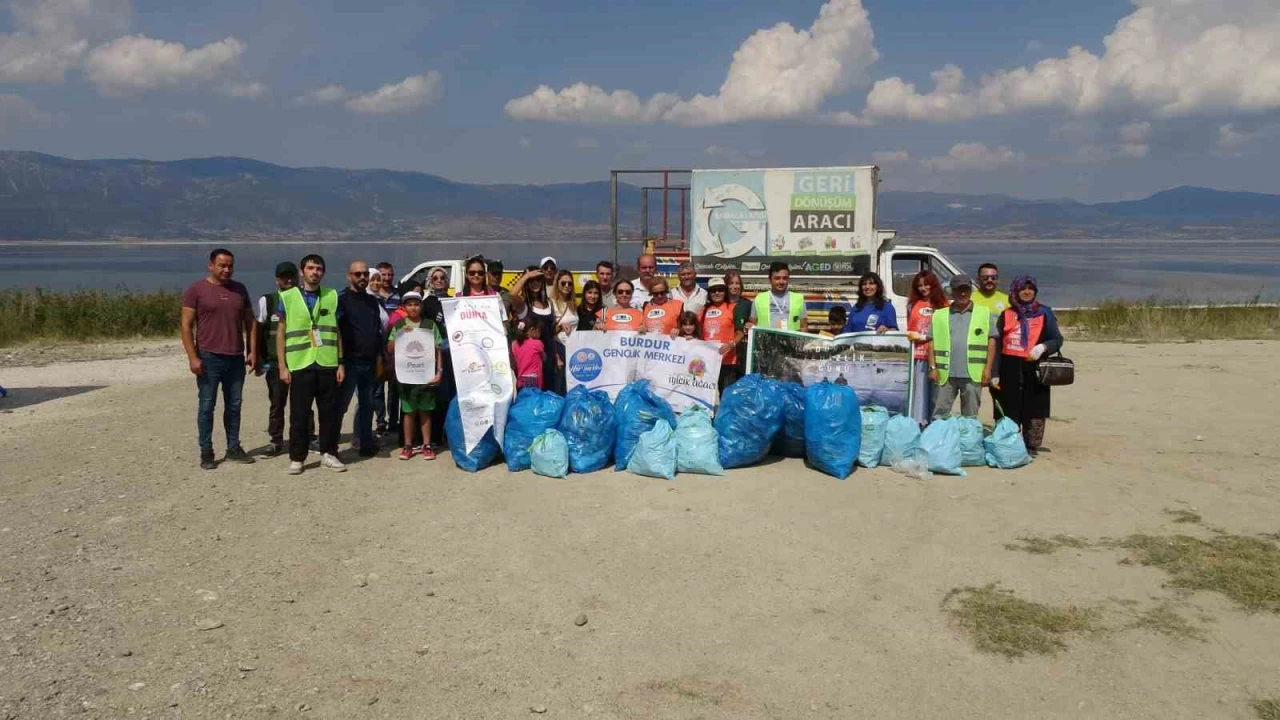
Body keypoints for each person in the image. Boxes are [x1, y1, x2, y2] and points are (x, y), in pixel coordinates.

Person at [181, 248, 257, 470]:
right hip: (209, 357)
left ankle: (233, 447)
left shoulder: (239, 289)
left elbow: (250, 323)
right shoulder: (196, 290)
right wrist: (192, 357)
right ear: (211, 265)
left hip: (235, 358)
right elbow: (186, 325)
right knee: (207, 406)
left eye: (230, 265)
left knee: (234, 405)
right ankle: (206, 451)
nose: (226, 269)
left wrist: (253, 351)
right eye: (222, 265)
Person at [276, 254, 346, 474]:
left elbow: (338, 331)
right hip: (300, 364)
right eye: (310, 268)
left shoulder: (332, 296)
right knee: (299, 414)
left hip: (327, 363)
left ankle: (329, 453)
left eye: (319, 269)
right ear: (301, 271)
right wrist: (282, 366)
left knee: (330, 414)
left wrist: (341, 362)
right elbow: (281, 333)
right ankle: (297, 457)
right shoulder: (288, 297)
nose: (315, 272)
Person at [992, 275, 1063, 457]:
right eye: (1023, 288)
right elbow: (998, 343)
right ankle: (1009, 441)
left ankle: (1031, 445)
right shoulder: (1007, 314)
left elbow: (1057, 339)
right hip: (1009, 366)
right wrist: (994, 372)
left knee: (1035, 405)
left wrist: (1042, 348)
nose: (1027, 292)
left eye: (1030, 288)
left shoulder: (1044, 312)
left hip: (1035, 367)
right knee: (1008, 405)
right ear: (1015, 291)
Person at [254, 261, 308, 458]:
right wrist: (256, 357)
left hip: (301, 359)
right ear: (277, 280)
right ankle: (276, 440)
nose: (289, 280)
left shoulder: (304, 299)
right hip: (276, 363)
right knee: (277, 402)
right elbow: (258, 330)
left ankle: (308, 436)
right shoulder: (268, 301)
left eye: (292, 276)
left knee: (304, 402)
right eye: (284, 277)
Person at [336, 260, 388, 458]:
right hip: (349, 362)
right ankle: (331, 446)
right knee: (340, 406)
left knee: (367, 405)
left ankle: (366, 443)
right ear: (349, 276)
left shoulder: (372, 302)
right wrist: (339, 362)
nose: (363, 278)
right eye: (358, 274)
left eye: (365, 274)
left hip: (369, 362)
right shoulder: (341, 300)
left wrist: (379, 359)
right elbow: (336, 332)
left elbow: (376, 332)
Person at [927, 275, 996, 419]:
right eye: (958, 290)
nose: (963, 294)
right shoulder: (939, 315)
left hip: (973, 375)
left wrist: (988, 369)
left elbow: (992, 342)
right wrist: (932, 368)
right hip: (945, 374)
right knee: (939, 414)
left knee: (970, 416)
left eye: (966, 289)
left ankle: (968, 441)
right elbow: (931, 342)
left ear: (971, 291)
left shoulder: (984, 313)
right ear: (951, 291)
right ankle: (939, 441)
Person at [385, 291, 443, 460]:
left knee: (426, 411)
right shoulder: (399, 325)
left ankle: (426, 445)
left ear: (421, 306)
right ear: (404, 306)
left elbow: (439, 350)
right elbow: (389, 349)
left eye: (416, 304)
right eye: (409, 304)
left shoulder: (429, 324)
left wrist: (439, 372)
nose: (413, 307)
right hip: (407, 376)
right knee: (408, 412)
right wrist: (400, 334)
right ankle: (408, 445)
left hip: (426, 375)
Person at [905, 270, 949, 425]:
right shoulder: (913, 305)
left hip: (938, 356)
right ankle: (918, 423)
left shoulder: (944, 305)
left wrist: (927, 337)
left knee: (937, 394)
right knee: (920, 393)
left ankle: (935, 423)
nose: (923, 288)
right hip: (918, 355)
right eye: (920, 286)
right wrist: (916, 336)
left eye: (926, 284)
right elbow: (909, 330)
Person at [511, 266, 559, 393]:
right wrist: (526, 276)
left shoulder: (549, 303)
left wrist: (556, 356)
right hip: (530, 359)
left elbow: (551, 332)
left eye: (538, 279)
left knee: (549, 391)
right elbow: (512, 294)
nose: (535, 283)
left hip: (547, 354)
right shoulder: (523, 303)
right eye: (531, 280)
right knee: (531, 394)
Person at [424, 267, 453, 451]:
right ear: (430, 281)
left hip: (454, 352)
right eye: (435, 278)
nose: (439, 280)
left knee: (452, 394)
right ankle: (434, 435)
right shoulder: (426, 303)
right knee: (438, 395)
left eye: (443, 277)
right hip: (436, 352)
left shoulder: (454, 301)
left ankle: (450, 432)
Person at [700, 278, 743, 394]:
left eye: (720, 290)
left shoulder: (734, 308)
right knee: (707, 397)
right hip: (708, 362)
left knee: (726, 396)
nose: (717, 293)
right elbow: (697, 333)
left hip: (728, 362)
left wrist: (732, 343)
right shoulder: (703, 310)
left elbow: (740, 333)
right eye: (713, 291)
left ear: (725, 292)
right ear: (709, 294)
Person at [372, 261, 400, 436]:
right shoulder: (372, 296)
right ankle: (380, 421)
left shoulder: (399, 295)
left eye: (390, 274)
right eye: (383, 275)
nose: (387, 278)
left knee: (395, 387)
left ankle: (393, 421)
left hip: (397, 348)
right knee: (377, 387)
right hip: (378, 347)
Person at [749, 262, 807, 332]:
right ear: (770, 279)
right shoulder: (759, 299)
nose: (781, 282)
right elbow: (752, 326)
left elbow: (803, 327)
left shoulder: (798, 299)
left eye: (784, 278)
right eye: (777, 278)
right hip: (766, 342)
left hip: (791, 342)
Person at [725, 270, 753, 378]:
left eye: (737, 283)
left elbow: (756, 323)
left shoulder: (748, 304)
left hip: (742, 352)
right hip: (725, 352)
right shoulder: (720, 304)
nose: (735, 286)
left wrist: (752, 325)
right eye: (731, 283)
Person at [486, 258, 517, 338]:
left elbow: (515, 316)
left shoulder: (507, 294)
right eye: (493, 274)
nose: (496, 277)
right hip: (486, 335)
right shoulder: (480, 293)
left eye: (499, 274)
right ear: (487, 274)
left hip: (504, 337)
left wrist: (510, 328)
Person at [512, 320, 546, 390]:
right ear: (532, 330)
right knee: (534, 400)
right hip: (534, 379)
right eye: (540, 331)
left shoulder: (514, 344)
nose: (541, 334)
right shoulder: (537, 343)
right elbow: (544, 357)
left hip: (520, 379)